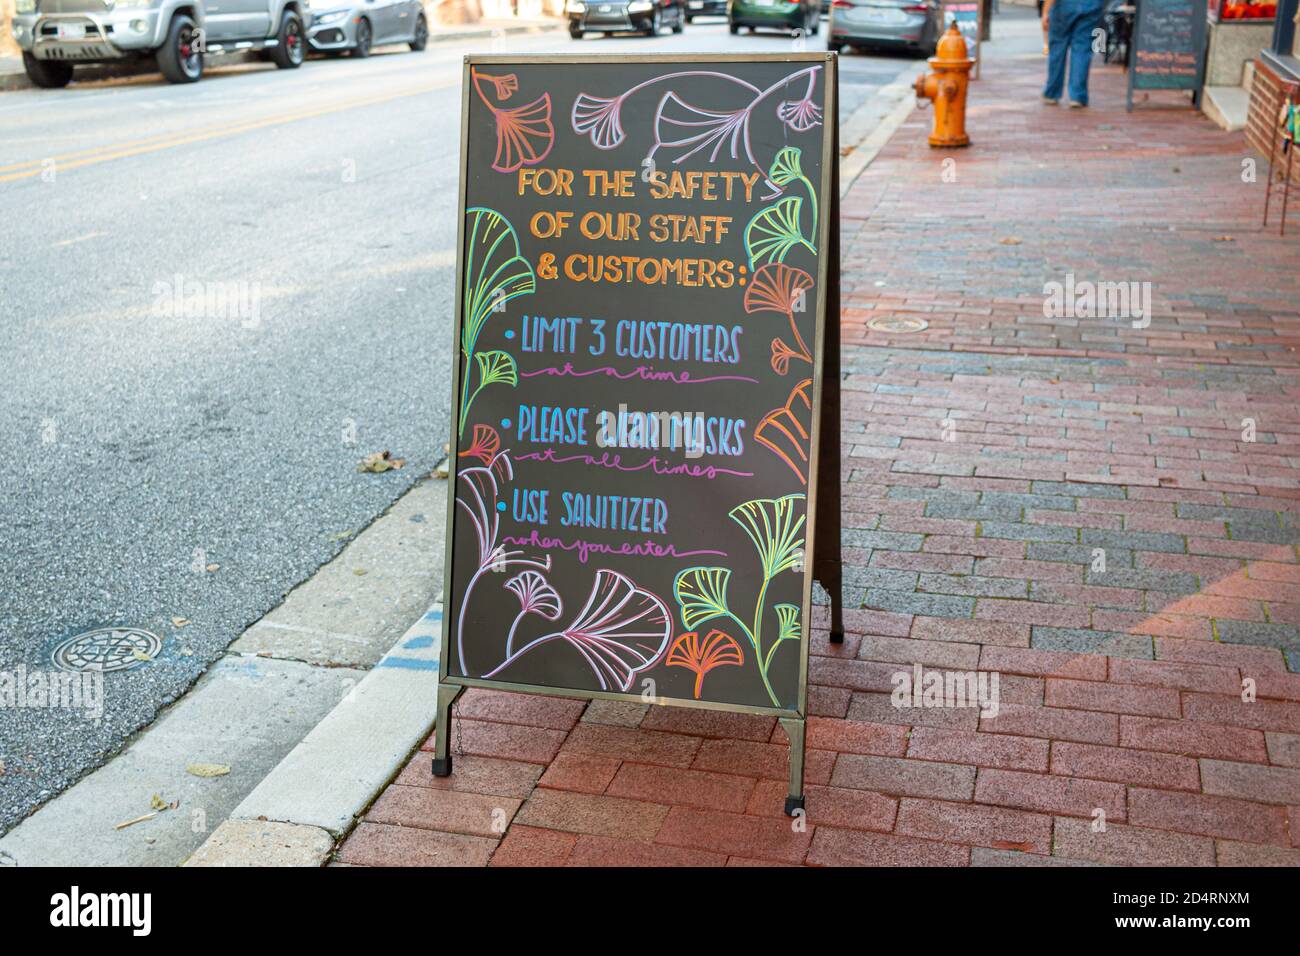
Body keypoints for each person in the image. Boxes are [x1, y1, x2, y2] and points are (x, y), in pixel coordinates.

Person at [1041, 0, 1105, 108]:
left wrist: (1045, 12)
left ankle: (1052, 94)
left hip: (1064, 5)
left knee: (1058, 48)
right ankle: (1078, 96)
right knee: (1082, 49)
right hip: (1091, 5)